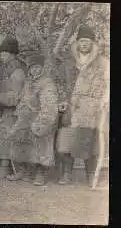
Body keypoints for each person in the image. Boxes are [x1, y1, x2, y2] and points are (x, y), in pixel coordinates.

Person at [56, 24, 109, 185]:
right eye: (81, 41)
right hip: (72, 107)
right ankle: (66, 173)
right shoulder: (68, 62)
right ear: (77, 43)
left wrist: (103, 101)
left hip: (93, 108)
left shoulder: (103, 63)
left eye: (87, 41)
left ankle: (91, 174)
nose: (84, 44)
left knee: (91, 142)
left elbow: (108, 84)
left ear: (93, 43)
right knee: (66, 140)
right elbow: (60, 82)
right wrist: (63, 100)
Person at [8, 54, 59, 185]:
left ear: (42, 68)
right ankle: (22, 170)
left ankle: (40, 174)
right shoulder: (28, 82)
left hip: (42, 117)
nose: (35, 70)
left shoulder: (47, 83)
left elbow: (49, 105)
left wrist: (42, 122)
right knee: (18, 139)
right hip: (26, 117)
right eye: (32, 68)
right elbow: (22, 99)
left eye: (37, 67)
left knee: (41, 144)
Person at [0, 35, 27, 181]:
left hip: (15, 112)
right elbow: (0, 88)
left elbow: (16, 97)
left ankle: (19, 169)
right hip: (5, 110)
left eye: (4, 53)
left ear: (12, 54)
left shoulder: (18, 73)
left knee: (12, 140)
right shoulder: (4, 70)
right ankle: (4, 167)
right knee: (3, 138)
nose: (1, 56)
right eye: (1, 53)